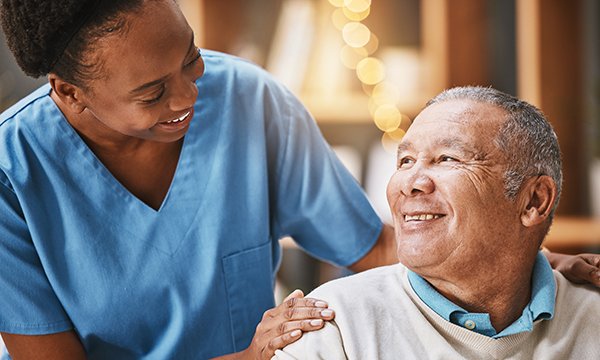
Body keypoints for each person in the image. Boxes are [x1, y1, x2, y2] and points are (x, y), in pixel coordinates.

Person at [0, 1, 595, 358]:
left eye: (190, 58)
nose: (189, 97)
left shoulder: (248, 102)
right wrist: (249, 358)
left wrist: (523, 262)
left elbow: (376, 248)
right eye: (152, 92)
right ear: (68, 91)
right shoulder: (11, 174)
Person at [274, 87, 600, 359]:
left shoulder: (593, 317)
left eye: (447, 158)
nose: (410, 182)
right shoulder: (331, 327)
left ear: (533, 201)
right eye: (405, 160)